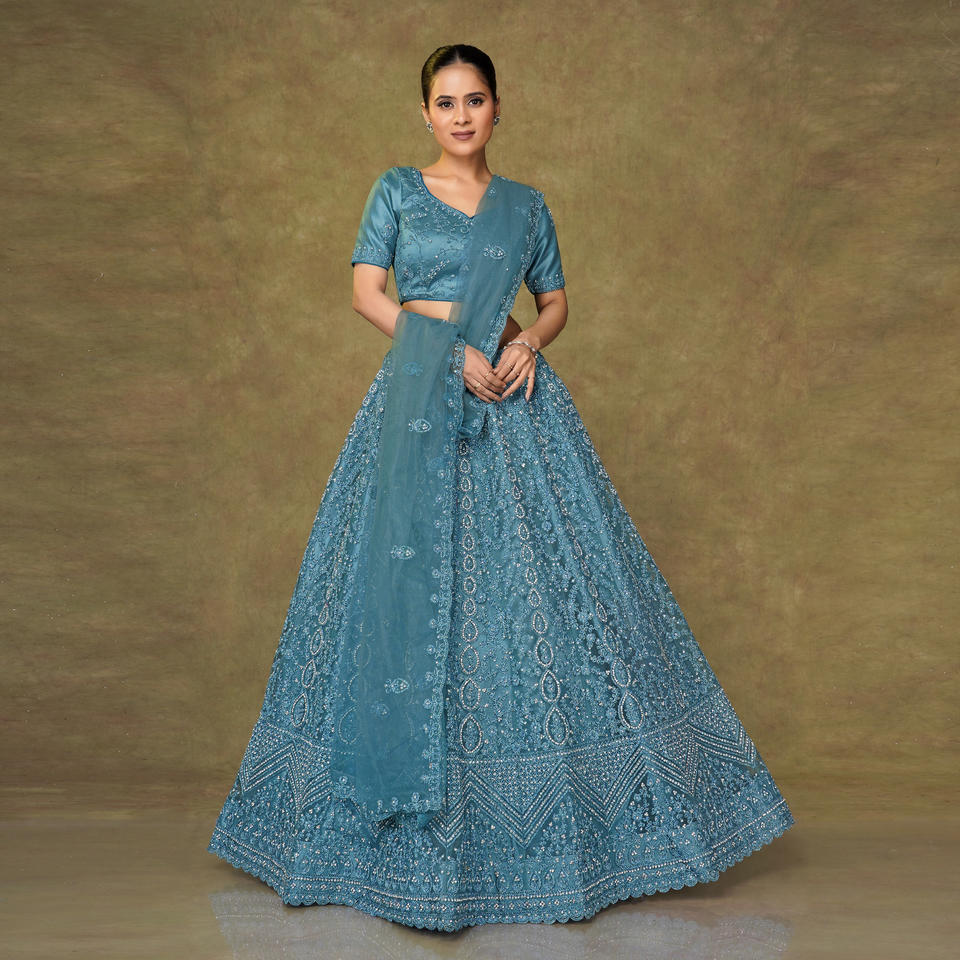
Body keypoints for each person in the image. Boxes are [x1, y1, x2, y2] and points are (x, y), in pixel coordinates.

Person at [207, 43, 795, 931]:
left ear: (496, 107)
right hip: (417, 398)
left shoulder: (525, 206)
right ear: (424, 114)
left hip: (513, 403)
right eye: (445, 102)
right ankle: (384, 837)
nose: (460, 116)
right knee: (399, 595)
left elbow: (554, 301)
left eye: (475, 100)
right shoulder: (396, 191)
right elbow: (366, 293)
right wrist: (448, 352)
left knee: (527, 601)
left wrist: (529, 344)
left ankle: (548, 839)